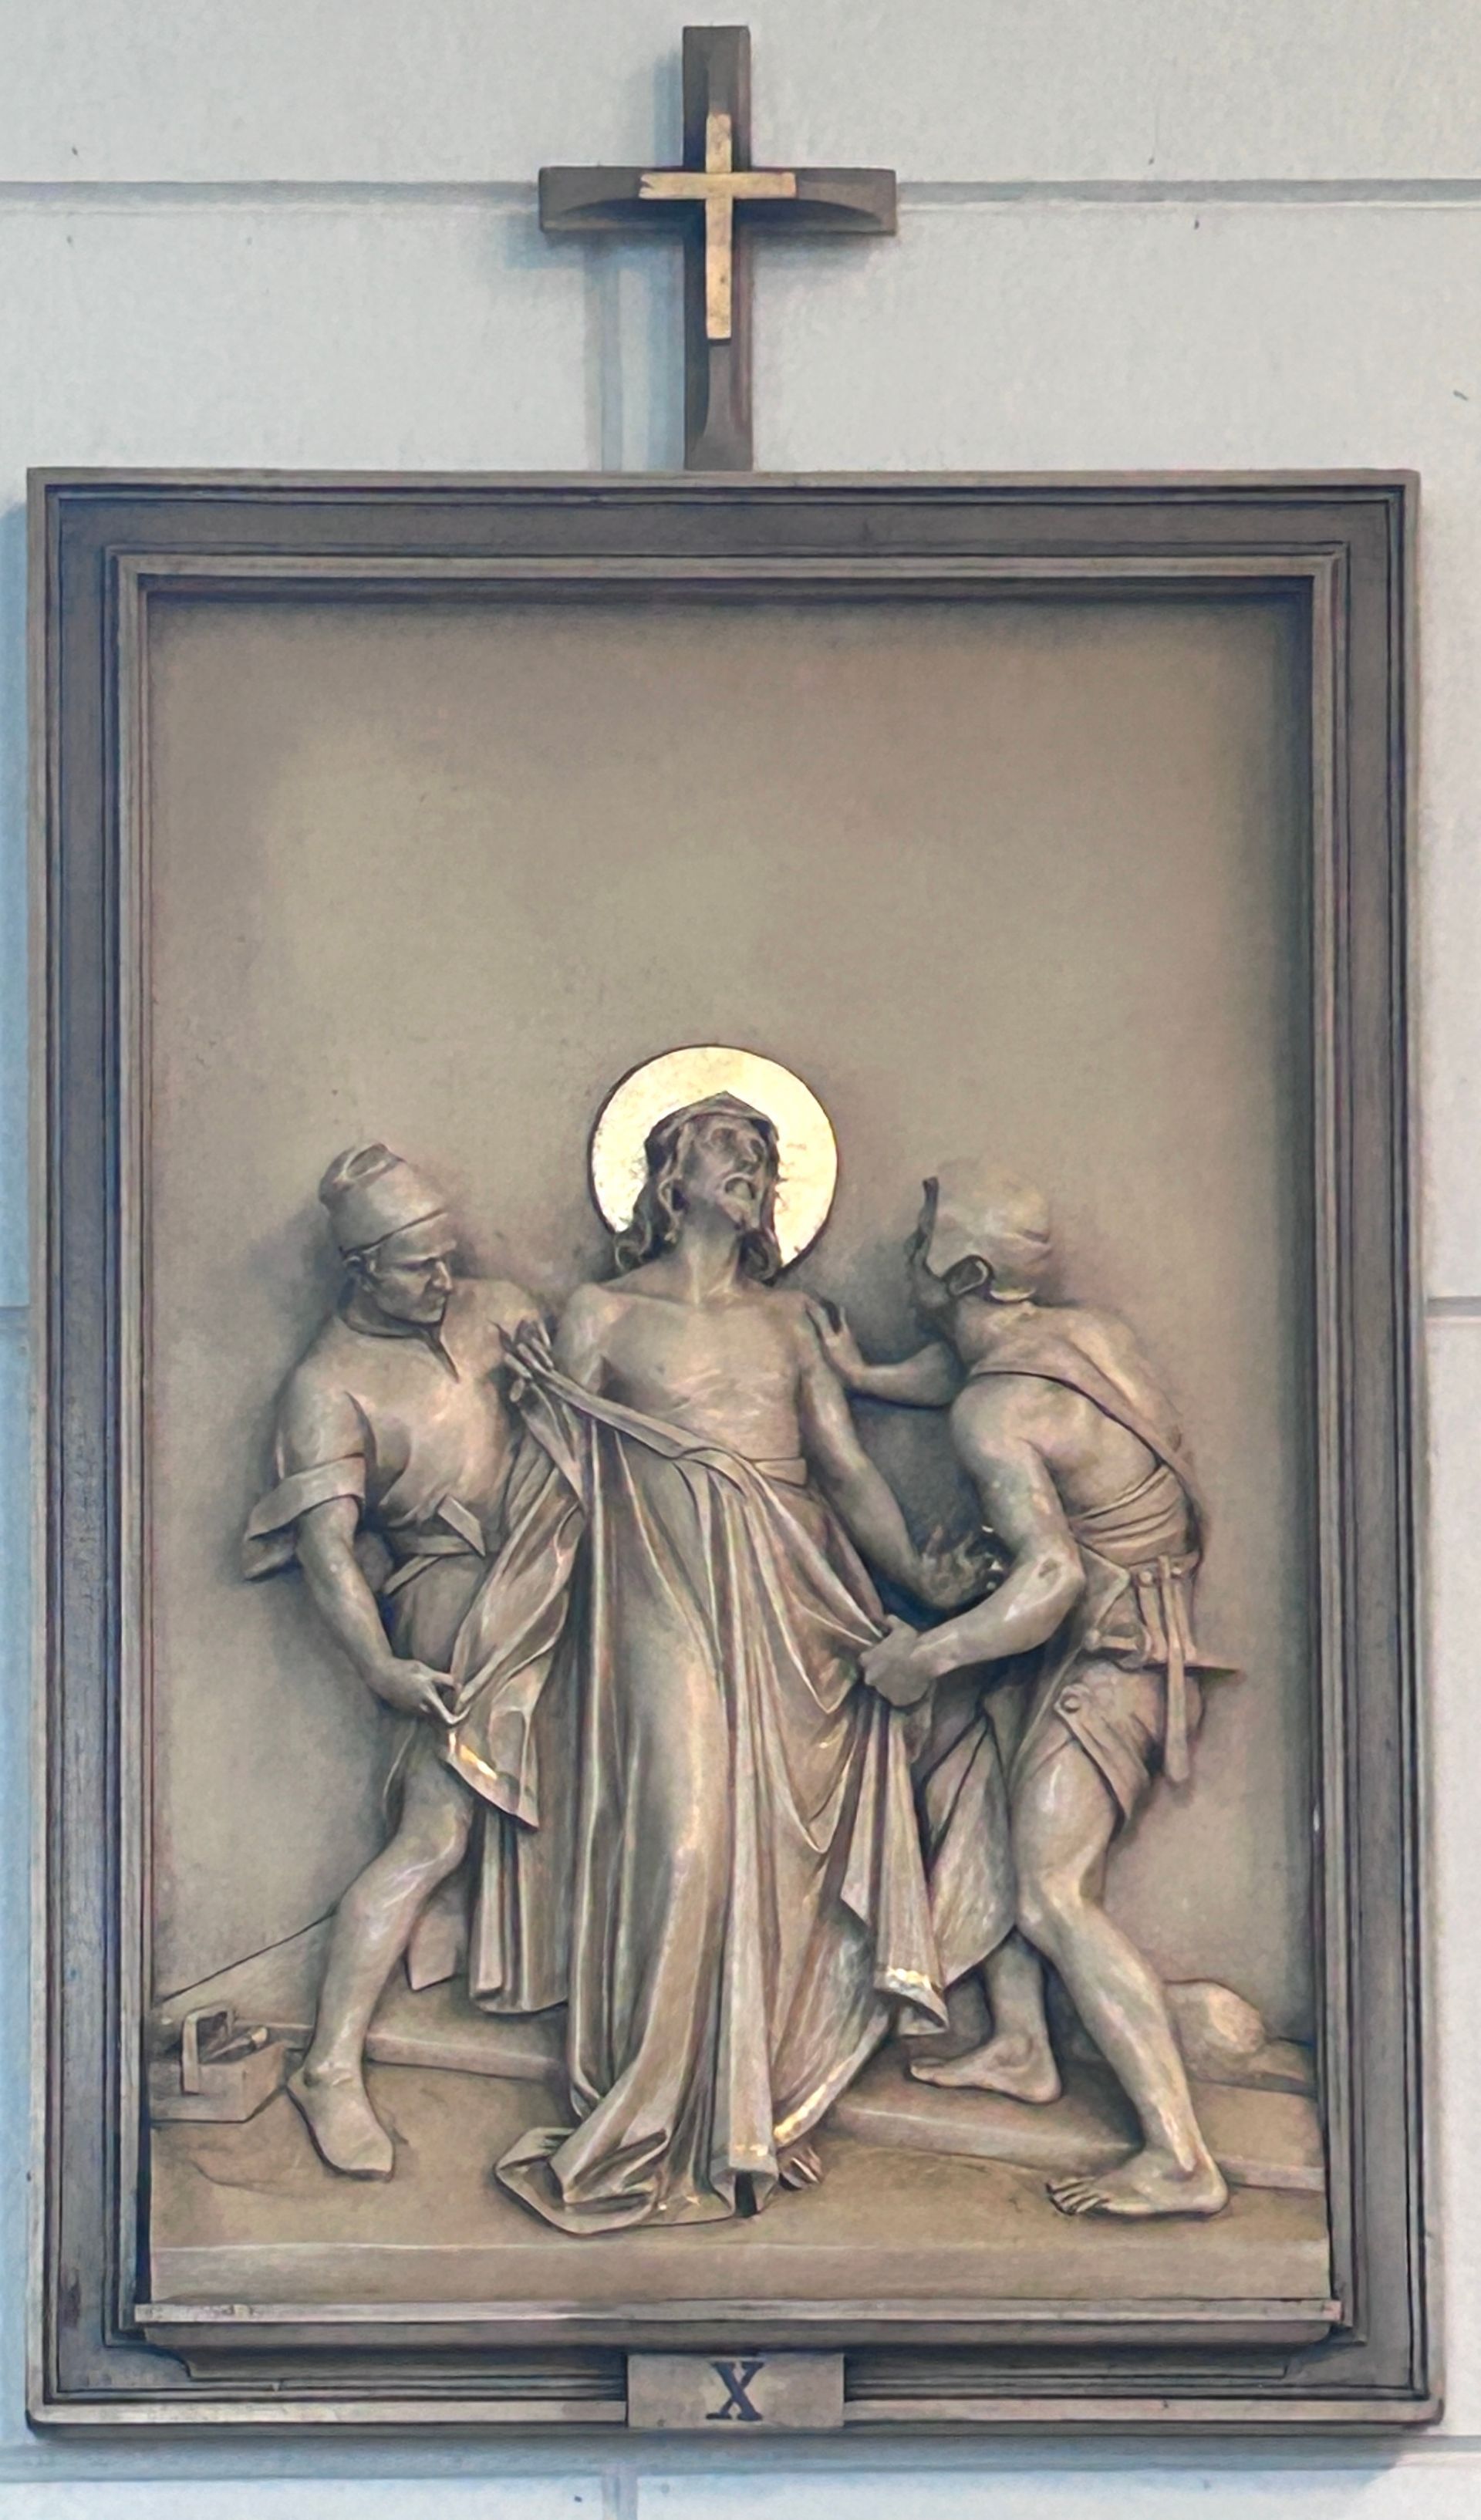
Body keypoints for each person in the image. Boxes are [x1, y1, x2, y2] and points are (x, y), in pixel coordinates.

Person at [448, 1092, 976, 2232]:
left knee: (759, 1856)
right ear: (668, 1179)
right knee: (684, 1841)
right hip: (658, 1591)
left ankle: (742, 2113)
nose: (749, 1168)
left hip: (790, 1598)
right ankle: (643, 2120)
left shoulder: (791, 1325)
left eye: (763, 1157)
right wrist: (519, 1621)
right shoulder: (601, 1314)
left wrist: (924, 1587)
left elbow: (843, 1470)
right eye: (725, 1148)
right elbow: (556, 1485)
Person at [813, 1163, 1234, 2221]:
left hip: (1111, 1670)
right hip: (1105, 1650)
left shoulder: (995, 1416)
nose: (902, 1253)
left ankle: (1181, 2158)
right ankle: (1021, 2044)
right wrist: (867, 1376)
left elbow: (1051, 1581)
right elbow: (974, 1366)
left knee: (1055, 1895)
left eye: (922, 1243)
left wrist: (927, 1655)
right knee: (972, 1779)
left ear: (961, 1275)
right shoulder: (1084, 1339)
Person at [242, 1143, 552, 2179]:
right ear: (361, 1268)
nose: (444, 1280)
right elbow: (329, 1552)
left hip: (563, 1580)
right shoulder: (325, 1387)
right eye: (419, 1266)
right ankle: (330, 2067)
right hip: (450, 1601)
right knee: (435, 1831)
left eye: (448, 1257)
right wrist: (381, 1667)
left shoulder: (499, 1310)